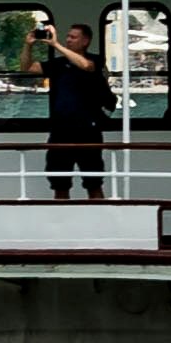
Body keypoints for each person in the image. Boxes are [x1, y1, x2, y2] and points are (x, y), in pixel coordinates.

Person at [40, 10, 113, 202]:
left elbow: (86, 66)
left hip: (88, 131)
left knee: (94, 183)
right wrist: (28, 45)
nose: (68, 40)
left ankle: (101, 222)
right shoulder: (58, 64)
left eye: (73, 37)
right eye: (67, 36)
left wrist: (55, 45)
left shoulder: (95, 61)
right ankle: (62, 225)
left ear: (85, 41)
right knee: (60, 184)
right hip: (60, 132)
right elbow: (27, 67)